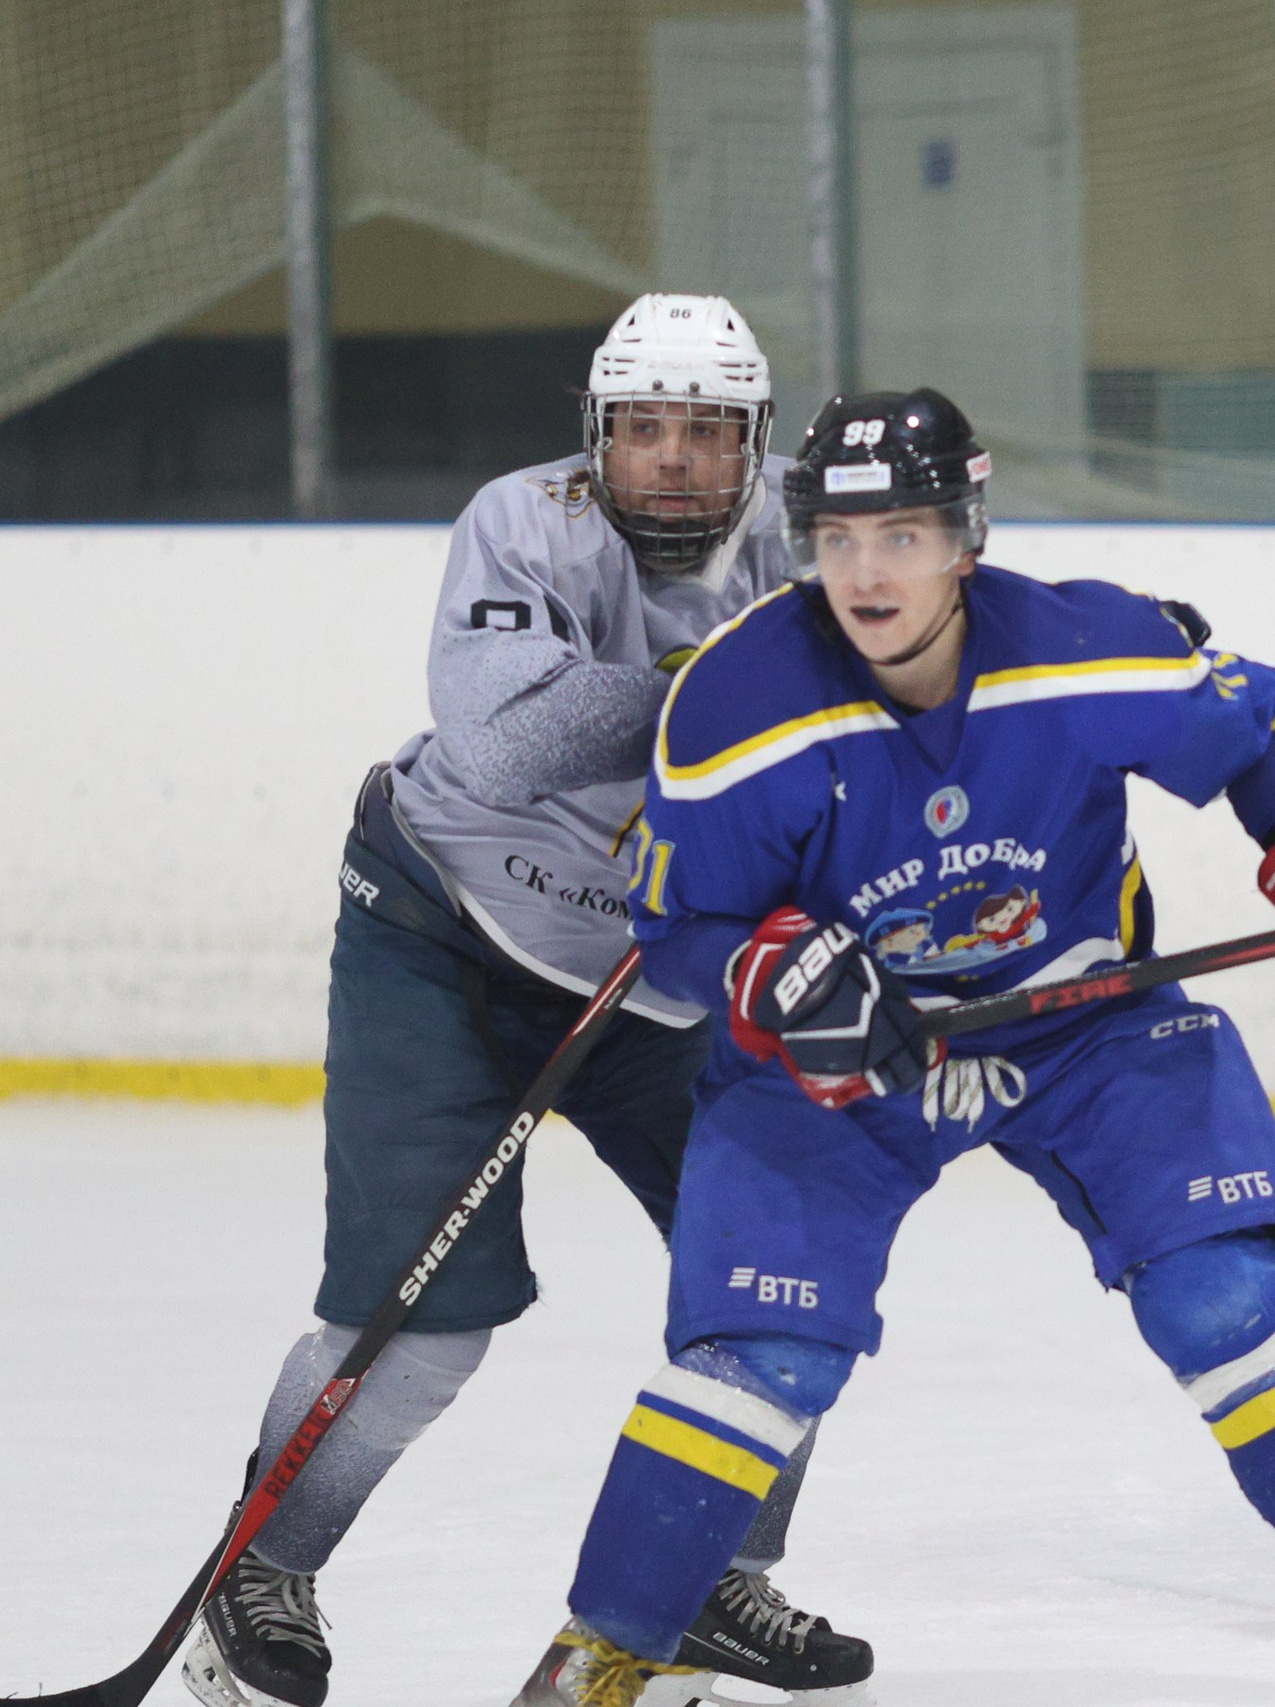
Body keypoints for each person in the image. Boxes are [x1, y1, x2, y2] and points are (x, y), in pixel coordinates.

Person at [505, 388, 1275, 1707]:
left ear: (965, 539)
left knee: (1227, 1300)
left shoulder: (1087, 646)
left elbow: (1259, 728)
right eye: (841, 537)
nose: (868, 572)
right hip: (843, 1062)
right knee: (758, 1361)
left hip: (1082, 1026)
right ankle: (606, 1656)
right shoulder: (736, 708)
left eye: (905, 536)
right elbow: (681, 926)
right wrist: (762, 970)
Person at [186, 296, 871, 1707]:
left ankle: (712, 1584)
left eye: (703, 431)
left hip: (669, 983)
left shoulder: (819, 559)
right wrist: (725, 687)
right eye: (641, 428)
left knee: (780, 1287)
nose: (669, 460)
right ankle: (266, 1566)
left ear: (755, 441)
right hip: (443, 932)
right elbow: (503, 743)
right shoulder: (523, 521)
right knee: (426, 1324)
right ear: (595, 434)